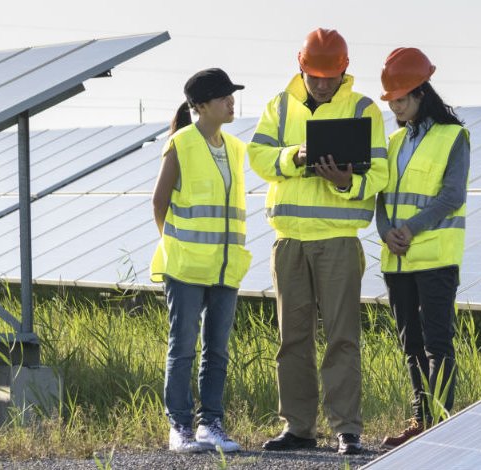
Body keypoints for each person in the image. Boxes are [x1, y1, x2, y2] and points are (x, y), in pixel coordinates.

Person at [249, 28, 388, 456]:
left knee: (342, 338)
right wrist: (295, 157)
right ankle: (299, 427)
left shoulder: (364, 108)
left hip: (339, 242)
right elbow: (257, 157)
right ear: (301, 66)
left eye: (331, 76)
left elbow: (380, 174)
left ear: (344, 70)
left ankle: (347, 429)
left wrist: (349, 182)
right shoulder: (278, 105)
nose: (323, 84)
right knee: (292, 339)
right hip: (289, 242)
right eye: (316, 76)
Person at [370, 48, 470, 449]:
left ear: (420, 93)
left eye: (400, 99)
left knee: (437, 343)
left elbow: (452, 196)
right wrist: (385, 232)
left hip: (436, 258)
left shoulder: (453, 137)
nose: (394, 106)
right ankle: (420, 419)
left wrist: (409, 228)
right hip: (397, 260)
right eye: (391, 100)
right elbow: (378, 195)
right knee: (410, 344)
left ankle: (440, 423)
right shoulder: (392, 142)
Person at [150, 68, 250, 454]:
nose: (231, 101)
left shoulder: (237, 149)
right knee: (184, 348)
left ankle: (211, 424)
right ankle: (179, 426)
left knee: (218, 350)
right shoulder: (182, 144)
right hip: (187, 267)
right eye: (224, 96)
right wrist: (175, 245)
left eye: (231, 95)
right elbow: (159, 203)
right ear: (201, 106)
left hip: (226, 267)